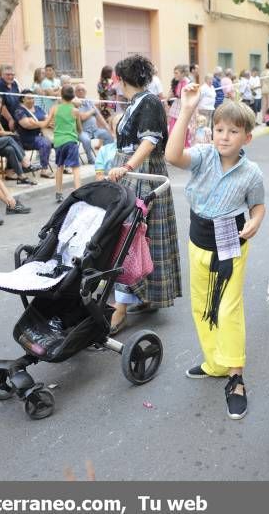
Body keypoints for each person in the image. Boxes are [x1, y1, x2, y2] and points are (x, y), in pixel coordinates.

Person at [166, 83, 265, 420]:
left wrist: (255, 222)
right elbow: (172, 155)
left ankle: (236, 376)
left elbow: (259, 207)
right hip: (198, 236)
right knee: (202, 306)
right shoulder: (204, 157)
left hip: (230, 241)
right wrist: (187, 108)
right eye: (219, 129)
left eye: (233, 131)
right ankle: (215, 363)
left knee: (228, 309)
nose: (224, 136)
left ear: (247, 138)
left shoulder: (251, 173)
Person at [107, 54, 182, 331]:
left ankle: (121, 307)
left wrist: (126, 166)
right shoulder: (138, 102)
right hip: (131, 171)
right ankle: (144, 295)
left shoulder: (147, 101)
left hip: (142, 173)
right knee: (140, 238)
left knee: (130, 238)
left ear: (121, 79)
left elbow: (149, 141)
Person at [48, 85, 82, 203]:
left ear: (61, 95)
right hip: (71, 140)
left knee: (59, 167)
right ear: (73, 96)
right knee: (75, 168)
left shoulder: (55, 108)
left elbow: (50, 122)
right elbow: (79, 128)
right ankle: (78, 193)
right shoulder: (75, 110)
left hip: (58, 142)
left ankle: (58, 192)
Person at [0, 96, 38, 185]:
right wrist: (10, 133)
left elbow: (2, 131)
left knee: (10, 148)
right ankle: (25, 161)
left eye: (0, 103)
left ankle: (21, 176)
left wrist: (10, 133)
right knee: (10, 138)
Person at [14, 90, 54, 179]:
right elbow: (27, 125)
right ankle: (44, 169)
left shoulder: (38, 108)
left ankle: (65, 166)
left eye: (33, 98)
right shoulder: (19, 111)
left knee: (61, 141)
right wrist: (44, 123)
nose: (31, 100)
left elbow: (49, 120)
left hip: (40, 135)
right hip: (26, 139)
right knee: (45, 142)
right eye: (29, 98)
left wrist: (36, 123)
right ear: (22, 99)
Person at [75, 83, 113, 164]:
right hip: (82, 131)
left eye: (83, 90)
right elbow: (82, 117)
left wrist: (107, 127)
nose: (81, 91)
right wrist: (92, 111)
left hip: (95, 130)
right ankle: (90, 159)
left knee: (109, 135)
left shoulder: (89, 101)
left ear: (86, 92)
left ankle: (106, 157)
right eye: (79, 90)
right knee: (86, 140)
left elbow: (99, 116)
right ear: (75, 92)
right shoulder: (75, 103)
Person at [167, 65, 192, 146]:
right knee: (173, 129)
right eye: (174, 73)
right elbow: (170, 93)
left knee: (183, 130)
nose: (175, 75)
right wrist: (167, 99)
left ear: (183, 73)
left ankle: (183, 148)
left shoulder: (189, 83)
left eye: (176, 73)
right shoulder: (175, 81)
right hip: (176, 107)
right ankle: (173, 147)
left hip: (184, 107)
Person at [94, 114, 121, 182]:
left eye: (124, 122)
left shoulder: (139, 150)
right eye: (118, 124)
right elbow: (99, 176)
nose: (122, 126)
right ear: (112, 131)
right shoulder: (104, 150)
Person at [0, 65, 21, 132]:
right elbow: (1, 105)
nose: (10, 77)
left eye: (12, 74)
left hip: (15, 117)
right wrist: (10, 119)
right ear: (1, 75)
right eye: (7, 75)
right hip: (5, 120)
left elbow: (19, 100)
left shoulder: (14, 84)